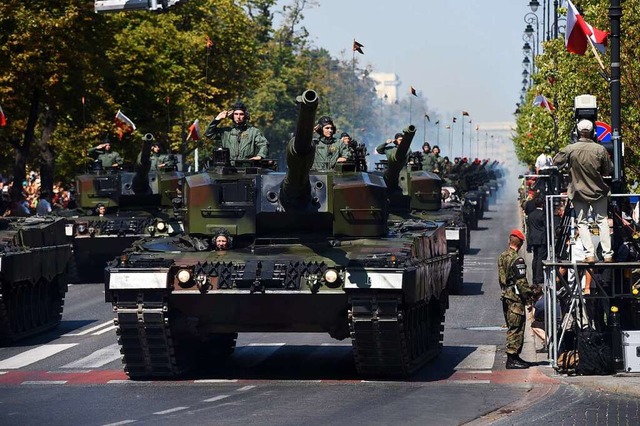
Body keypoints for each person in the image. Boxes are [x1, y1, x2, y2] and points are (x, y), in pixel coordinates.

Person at [553, 119, 613, 263]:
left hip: (578, 191)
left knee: (582, 222)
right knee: (602, 221)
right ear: (592, 133)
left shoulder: (570, 149)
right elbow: (607, 170)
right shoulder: (600, 149)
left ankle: (589, 254)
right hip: (598, 191)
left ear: (578, 132)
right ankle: (607, 254)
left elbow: (556, 162)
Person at [498, 229, 535, 369]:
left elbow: (501, 278)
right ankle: (512, 358)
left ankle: (515, 357)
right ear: (520, 244)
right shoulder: (517, 259)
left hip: (506, 294)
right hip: (515, 298)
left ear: (509, 241)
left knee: (511, 325)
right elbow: (521, 282)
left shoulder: (502, 256)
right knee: (516, 328)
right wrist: (528, 299)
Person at [204, 101, 269, 165]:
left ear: (245, 116)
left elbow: (263, 144)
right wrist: (217, 119)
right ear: (232, 115)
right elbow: (209, 134)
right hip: (229, 168)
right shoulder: (225, 132)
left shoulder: (253, 132)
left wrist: (260, 156)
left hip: (247, 168)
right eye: (236, 114)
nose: (238, 117)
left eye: (241, 114)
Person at [527, 197, 547, 286]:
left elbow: (529, 228)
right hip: (541, 239)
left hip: (533, 239)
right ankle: (539, 277)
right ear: (542, 204)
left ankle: (534, 277)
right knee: (540, 258)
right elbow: (546, 225)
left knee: (535, 258)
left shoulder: (531, 215)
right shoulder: (542, 214)